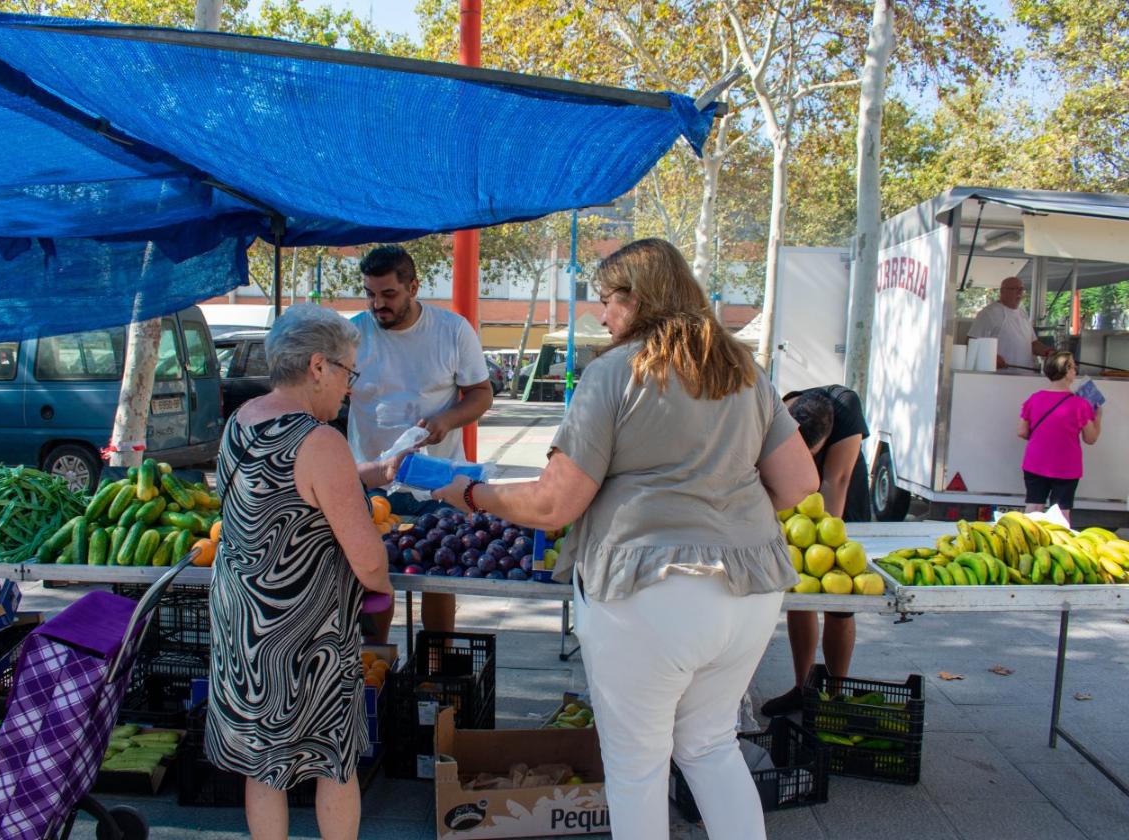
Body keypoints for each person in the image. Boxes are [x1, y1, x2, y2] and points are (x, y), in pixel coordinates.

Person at [433, 238, 819, 840]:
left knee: (636, 768)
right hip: (749, 590)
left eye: (608, 301)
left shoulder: (615, 372)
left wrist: (472, 493)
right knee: (711, 747)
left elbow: (555, 503)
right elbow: (799, 483)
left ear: (638, 300)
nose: (602, 316)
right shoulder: (743, 370)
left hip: (646, 593)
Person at [206, 304, 398, 840]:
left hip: (244, 624)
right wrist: (384, 583)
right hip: (305, 636)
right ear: (318, 366)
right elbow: (369, 563)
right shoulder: (321, 441)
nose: (349, 389)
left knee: (262, 766)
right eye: (347, 372)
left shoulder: (241, 420)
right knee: (332, 764)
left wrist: (362, 473)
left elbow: (279, 487)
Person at [348, 245, 493, 642]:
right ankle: (377, 659)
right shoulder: (353, 334)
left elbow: (482, 394)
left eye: (388, 294)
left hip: (437, 479)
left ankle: (438, 664)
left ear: (413, 287)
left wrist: (447, 420)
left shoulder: (452, 330)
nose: (378, 304)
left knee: (437, 573)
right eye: (370, 294)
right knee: (375, 579)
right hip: (370, 480)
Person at [761, 386, 870, 719]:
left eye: (814, 452)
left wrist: (824, 547)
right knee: (801, 592)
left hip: (839, 502)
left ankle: (835, 696)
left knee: (839, 603)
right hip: (794, 497)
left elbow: (835, 480)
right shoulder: (775, 409)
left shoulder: (845, 406)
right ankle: (802, 688)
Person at [1017, 351, 1101, 523]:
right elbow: (1090, 439)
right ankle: (1057, 547)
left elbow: (1022, 431)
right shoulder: (1081, 405)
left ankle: (1028, 545)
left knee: (1033, 509)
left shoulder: (1034, 399)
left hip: (1035, 463)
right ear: (1067, 370)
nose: (1075, 369)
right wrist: (1098, 417)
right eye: (1073, 366)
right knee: (1061, 514)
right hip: (1066, 467)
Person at [968, 276, 1054, 371]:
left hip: (1025, 375)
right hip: (999, 377)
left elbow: (1033, 344)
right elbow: (972, 342)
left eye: (1021, 289)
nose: (1019, 292)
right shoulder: (989, 313)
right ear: (1002, 291)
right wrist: (991, 357)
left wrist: (1049, 352)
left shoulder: (1023, 314)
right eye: (1015, 289)